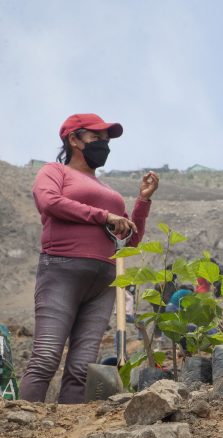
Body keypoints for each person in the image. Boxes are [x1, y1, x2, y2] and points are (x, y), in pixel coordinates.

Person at [20, 113, 159, 404]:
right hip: (62, 269)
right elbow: (50, 202)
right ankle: (21, 430)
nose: (103, 145)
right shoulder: (54, 172)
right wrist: (103, 216)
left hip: (104, 280)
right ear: (74, 139)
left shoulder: (109, 190)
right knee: (46, 358)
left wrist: (142, 203)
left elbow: (128, 241)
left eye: (106, 141)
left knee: (81, 369)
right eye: (96, 138)